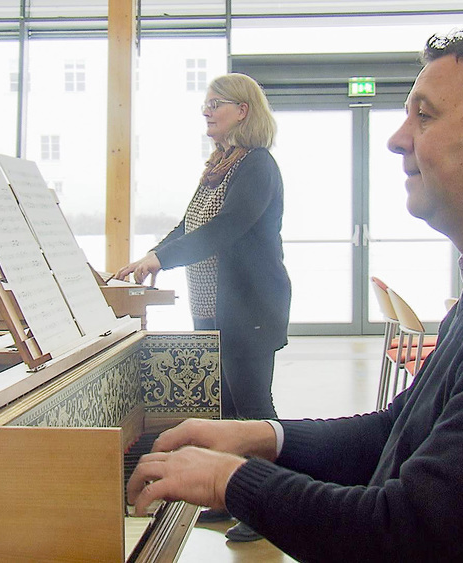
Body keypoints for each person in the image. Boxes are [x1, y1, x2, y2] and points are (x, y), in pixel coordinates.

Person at [126, 27, 463, 562]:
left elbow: (401, 538)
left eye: (424, 115)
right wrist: (263, 438)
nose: (397, 140)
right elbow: (400, 430)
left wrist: (231, 480)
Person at [116, 72, 291, 542]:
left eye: (216, 103)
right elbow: (190, 225)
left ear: (243, 111)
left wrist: (164, 259)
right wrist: (151, 257)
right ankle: (233, 495)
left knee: (254, 414)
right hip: (215, 308)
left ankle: (268, 509)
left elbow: (225, 229)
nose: (206, 111)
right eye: (206, 104)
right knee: (228, 413)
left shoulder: (257, 165)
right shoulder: (220, 164)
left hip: (251, 308)